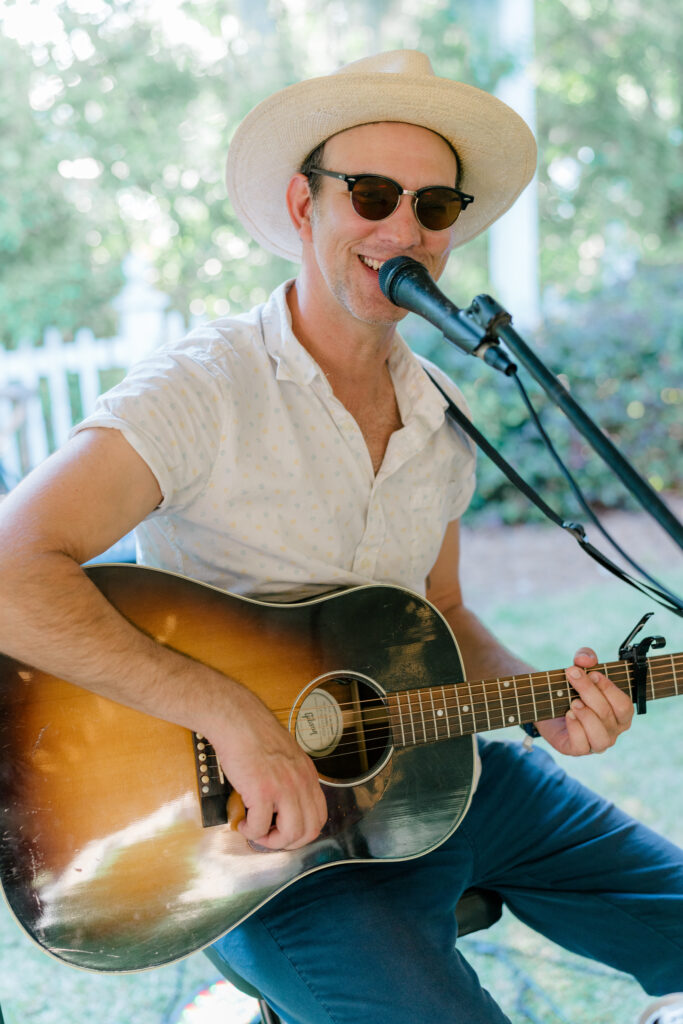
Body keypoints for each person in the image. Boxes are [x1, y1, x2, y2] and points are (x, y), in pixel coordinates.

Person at [0, 49, 681, 1023]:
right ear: (300, 205)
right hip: (256, 846)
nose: (400, 228)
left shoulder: (442, 411)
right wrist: (233, 717)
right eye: (370, 194)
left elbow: (439, 609)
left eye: (433, 207)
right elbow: (9, 569)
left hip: (454, 777)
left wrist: (543, 706)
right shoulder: (199, 389)